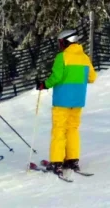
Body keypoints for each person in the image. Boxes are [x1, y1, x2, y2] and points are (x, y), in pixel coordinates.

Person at [36, 29, 97, 176]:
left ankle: (57, 161)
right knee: (73, 129)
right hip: (77, 100)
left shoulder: (62, 57)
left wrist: (44, 84)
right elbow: (92, 77)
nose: (60, 45)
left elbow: (56, 77)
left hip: (62, 100)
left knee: (59, 130)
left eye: (60, 42)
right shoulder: (84, 57)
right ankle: (72, 159)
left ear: (65, 41)